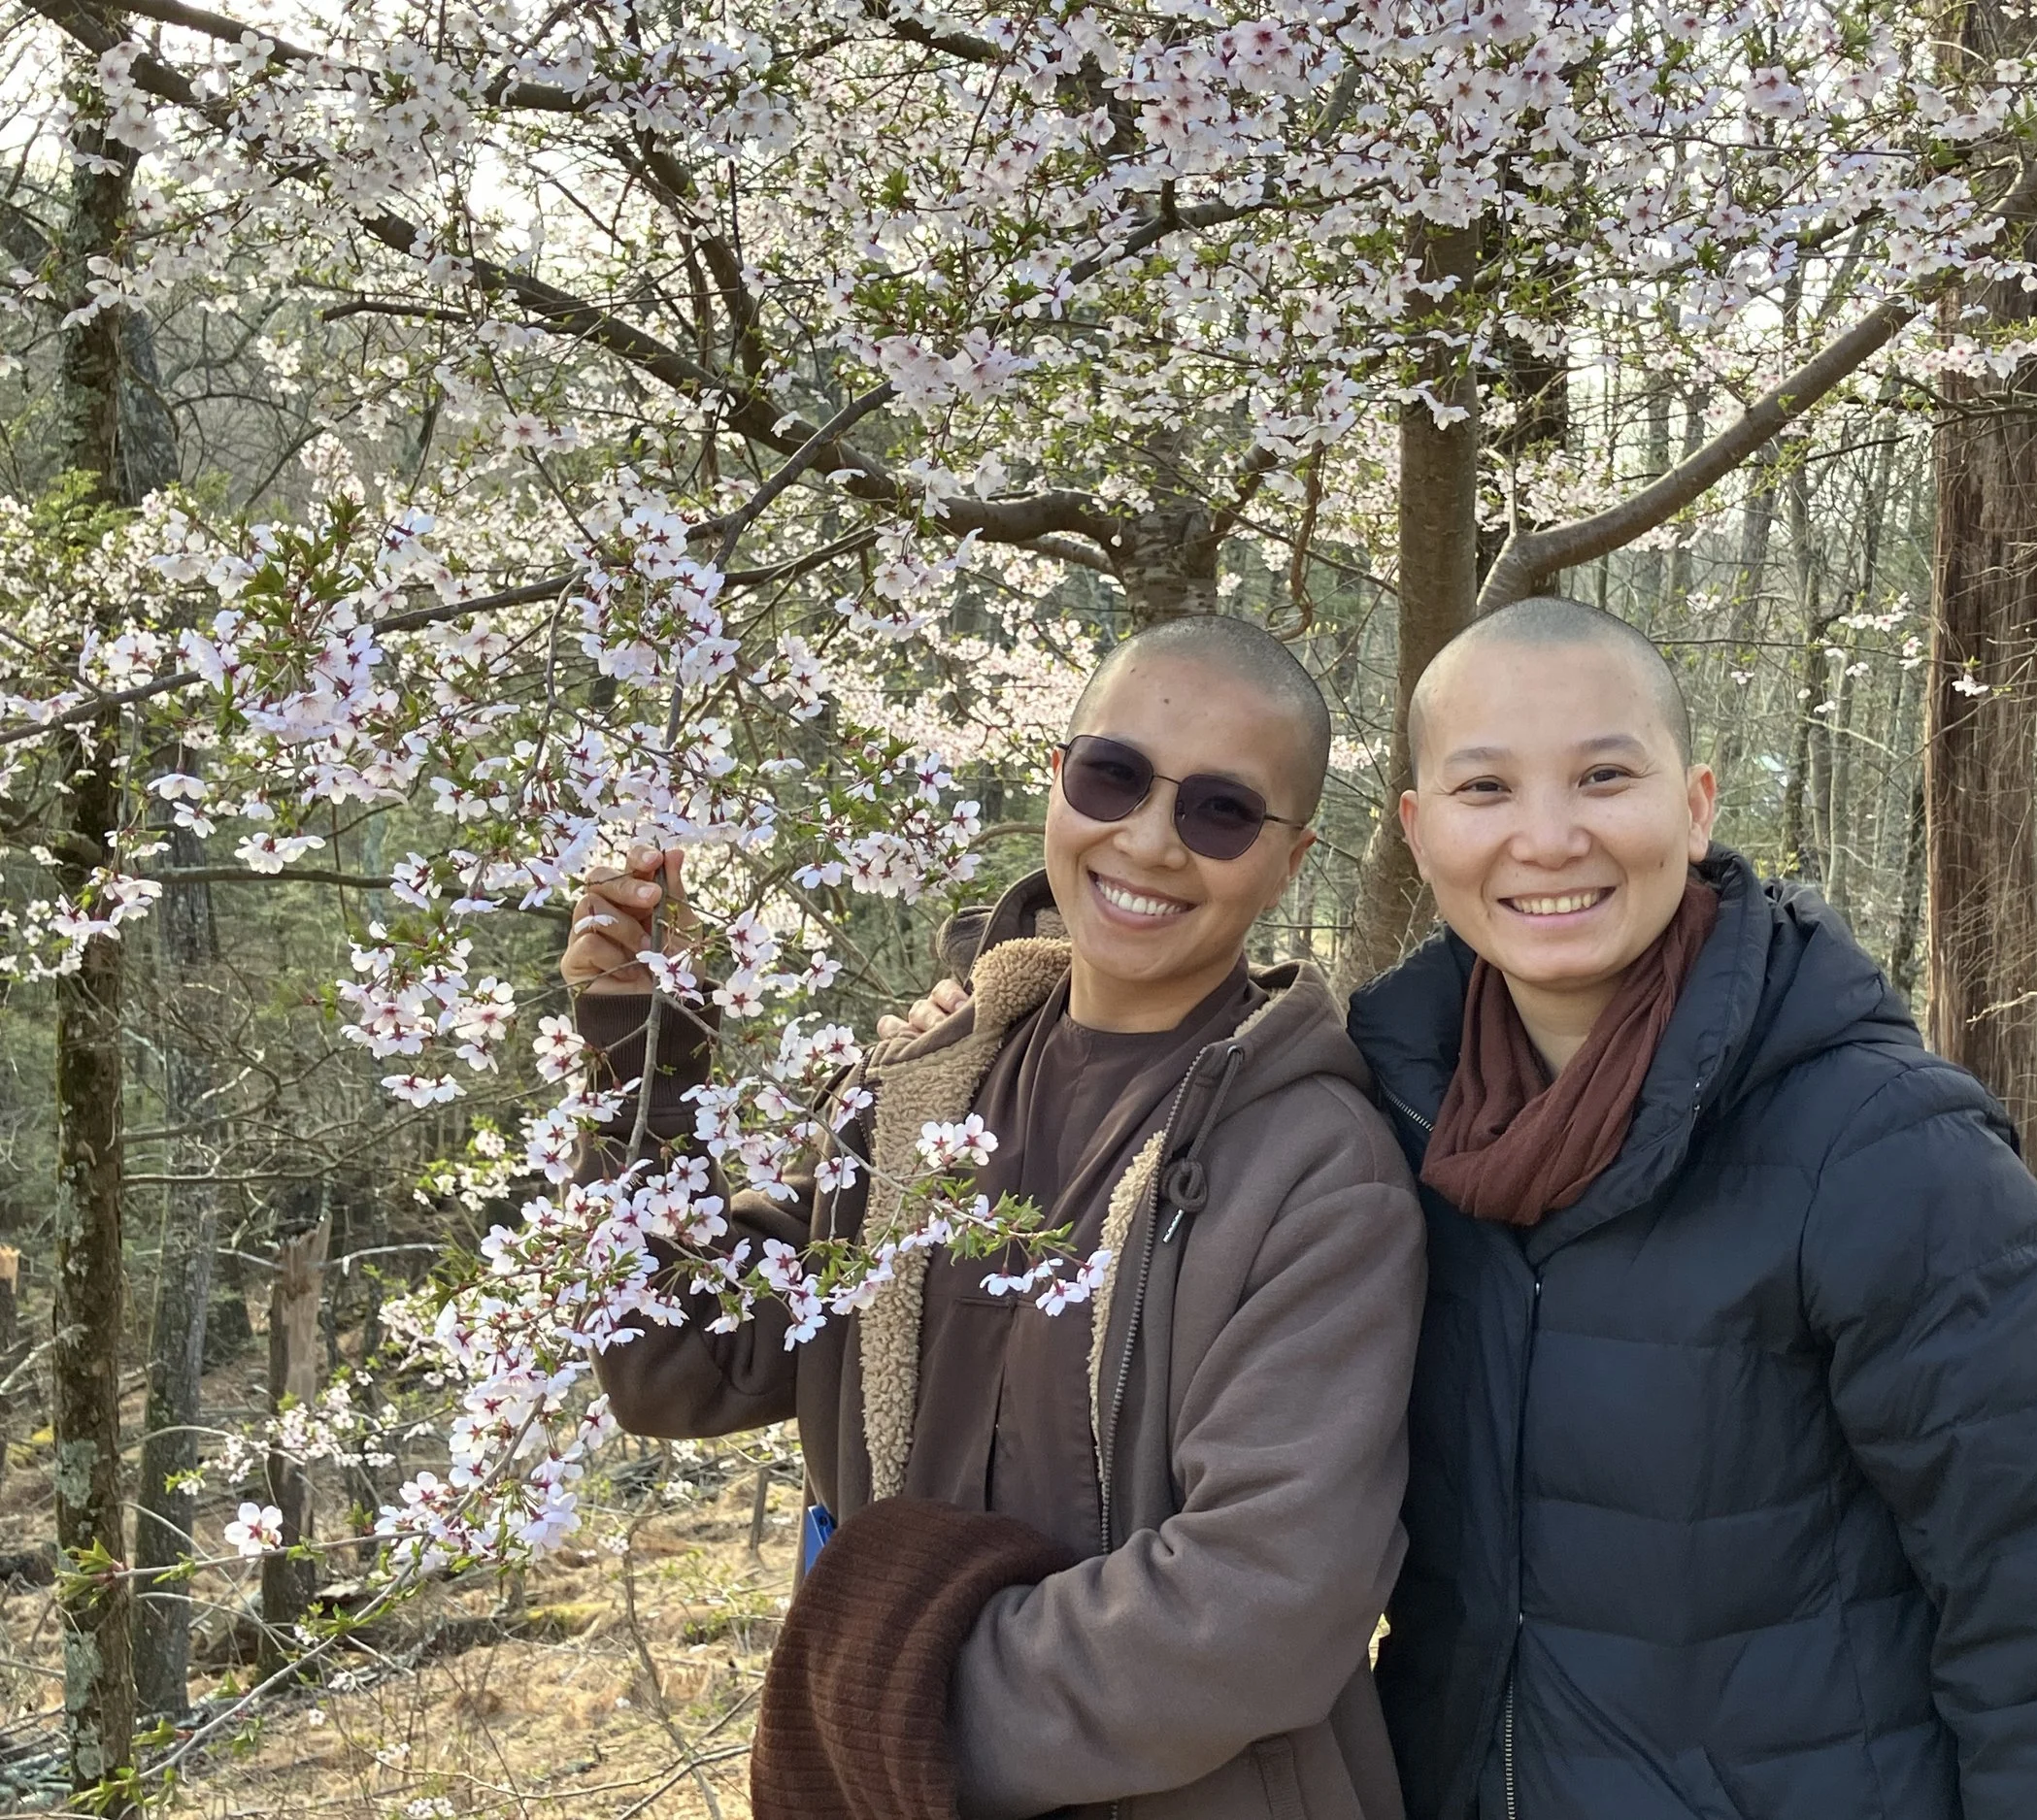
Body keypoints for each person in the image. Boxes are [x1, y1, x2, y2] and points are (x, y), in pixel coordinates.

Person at [561, 614, 1425, 1820]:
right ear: (1058, 779)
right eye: (1111, 776)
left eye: (1220, 810)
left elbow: (1264, 1605)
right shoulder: (920, 1099)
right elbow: (674, 1363)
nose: (1147, 840)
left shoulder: (1316, 1170)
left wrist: (883, 1703)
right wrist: (644, 1055)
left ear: (1289, 859)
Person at [1351, 597, 2037, 1820]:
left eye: (1602, 775)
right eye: (1485, 790)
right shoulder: (1389, 1115)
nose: (1547, 835)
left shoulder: (1883, 1145)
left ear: (1694, 807)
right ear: (1419, 832)